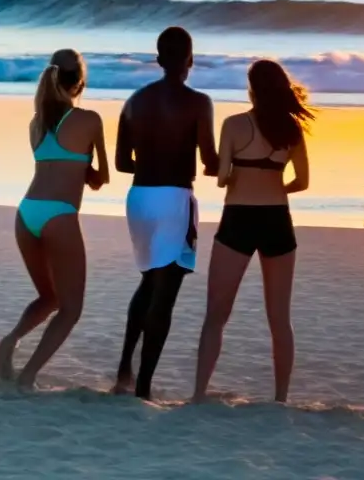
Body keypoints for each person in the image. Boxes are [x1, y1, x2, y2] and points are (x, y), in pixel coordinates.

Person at [193, 59, 312, 403]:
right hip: (277, 219)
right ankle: (280, 397)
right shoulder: (292, 131)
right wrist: (274, 188)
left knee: (216, 314)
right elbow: (303, 182)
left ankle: (199, 392)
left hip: (239, 218)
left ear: (252, 90)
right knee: (279, 318)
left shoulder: (234, 124)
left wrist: (236, 176)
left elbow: (221, 179)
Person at [112, 27, 219, 400]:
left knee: (148, 281)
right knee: (166, 292)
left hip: (139, 196)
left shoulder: (134, 101)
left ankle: (125, 365)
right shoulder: (199, 102)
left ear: (158, 60)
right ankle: (143, 385)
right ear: (190, 59)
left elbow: (122, 162)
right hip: (175, 197)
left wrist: (152, 158)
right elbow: (210, 161)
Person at [0, 49, 108, 388]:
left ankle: (11, 340)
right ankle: (28, 375)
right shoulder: (90, 120)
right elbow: (101, 177)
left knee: (50, 297)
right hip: (59, 214)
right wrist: (86, 171)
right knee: (71, 309)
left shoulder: (37, 122)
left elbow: (54, 163)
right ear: (81, 82)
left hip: (27, 211)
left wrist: (77, 168)